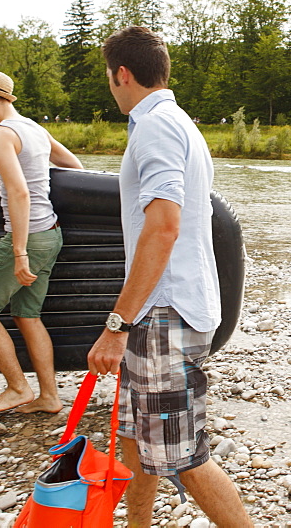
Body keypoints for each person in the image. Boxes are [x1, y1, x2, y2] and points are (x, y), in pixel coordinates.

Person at [87, 26, 252, 528]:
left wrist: (117, 324)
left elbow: (162, 226)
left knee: (184, 456)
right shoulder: (175, 122)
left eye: (109, 80)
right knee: (138, 437)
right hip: (168, 310)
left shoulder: (156, 126)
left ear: (122, 74)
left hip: (165, 315)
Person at [0, 68, 84, 413]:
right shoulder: (33, 128)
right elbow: (73, 165)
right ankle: (50, 397)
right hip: (51, 234)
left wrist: (19, 252)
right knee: (28, 315)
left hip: (28, 238)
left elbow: (19, 191)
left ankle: (17, 388)